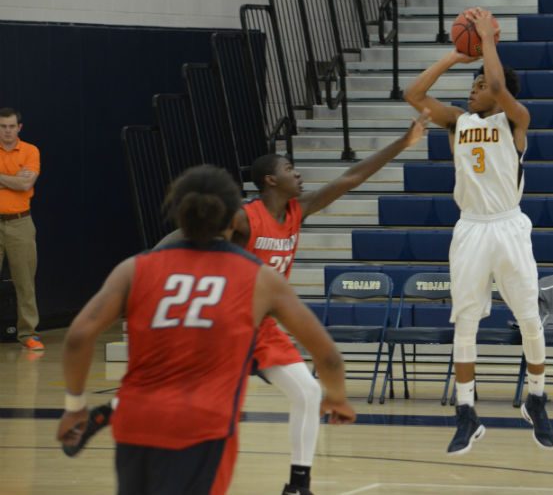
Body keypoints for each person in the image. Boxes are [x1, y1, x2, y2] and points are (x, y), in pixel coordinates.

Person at [65, 121, 429, 495]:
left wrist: (403, 142)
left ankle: (298, 485)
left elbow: (351, 177)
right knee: (183, 384)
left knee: (306, 391)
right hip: (225, 320)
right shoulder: (242, 216)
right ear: (270, 180)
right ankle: (107, 411)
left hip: (263, 326)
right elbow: (189, 233)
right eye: (289, 169)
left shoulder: (297, 211)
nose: (298, 173)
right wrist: (160, 259)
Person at [56, 165, 356, 495]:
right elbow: (328, 356)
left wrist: (74, 406)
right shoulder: (257, 278)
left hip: (137, 422)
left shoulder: (135, 269)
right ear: (233, 218)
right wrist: (338, 398)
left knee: (298, 389)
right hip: (205, 425)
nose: (296, 174)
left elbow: (79, 336)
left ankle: (299, 484)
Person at [403, 7, 553, 454]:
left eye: (479, 86)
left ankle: (537, 398)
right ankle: (466, 413)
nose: (473, 91)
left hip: (508, 226)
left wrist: (487, 39)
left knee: (529, 315)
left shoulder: (515, 120)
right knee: (465, 321)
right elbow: (415, 94)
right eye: (471, 86)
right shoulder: (457, 122)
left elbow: (500, 85)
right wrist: (454, 57)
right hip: (470, 228)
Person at [0, 108, 41, 352]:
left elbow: (26, 182)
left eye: (11, 126)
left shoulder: (30, 151)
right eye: (2, 126)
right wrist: (11, 178)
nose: (6, 131)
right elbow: (17, 181)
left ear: (19, 128)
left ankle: (28, 333)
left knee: (25, 281)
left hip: (20, 223)